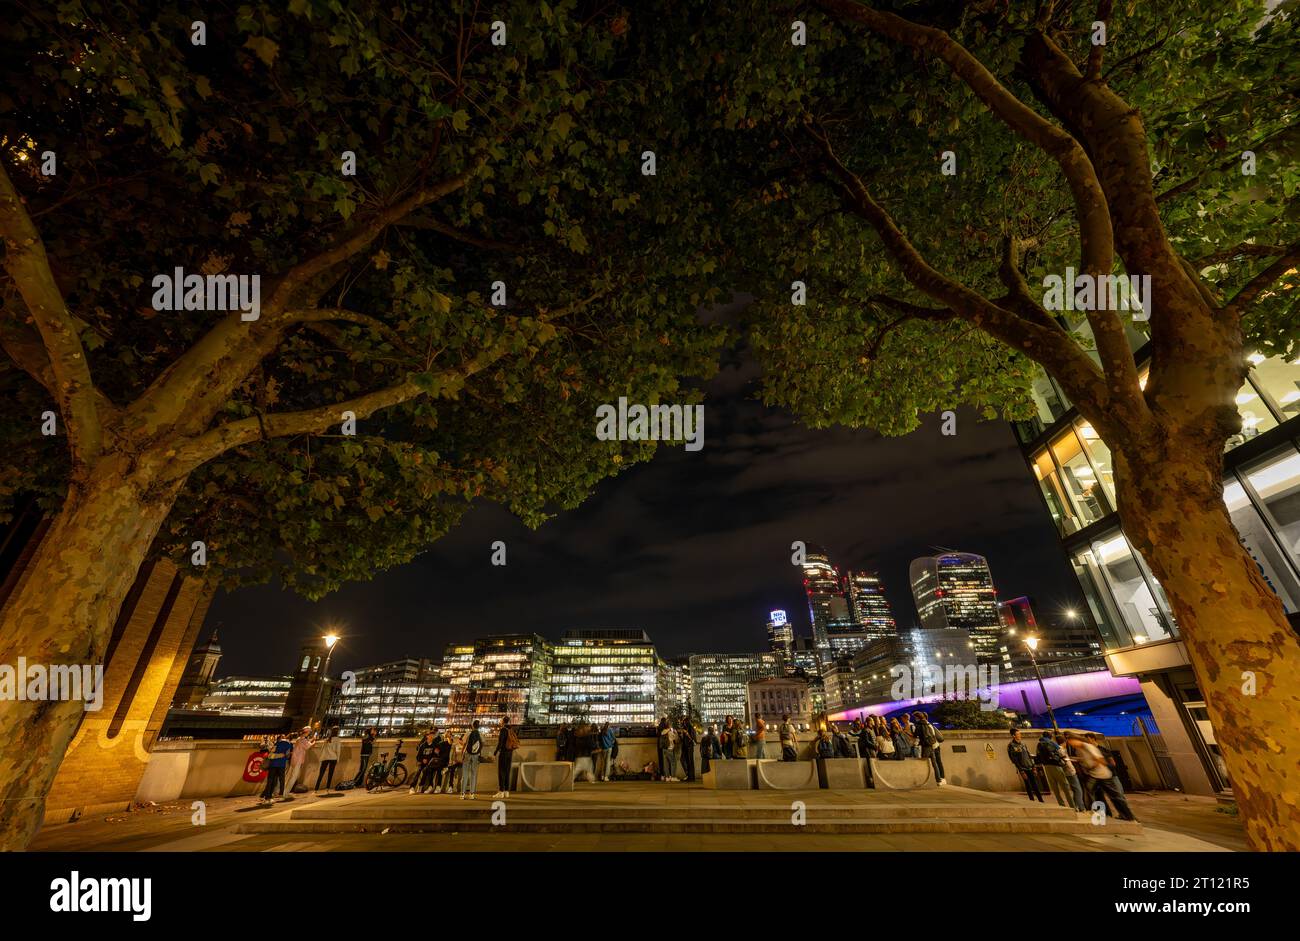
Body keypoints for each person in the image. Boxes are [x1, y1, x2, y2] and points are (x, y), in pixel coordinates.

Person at [1069, 732, 1138, 821]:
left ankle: (1128, 815)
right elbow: (1086, 760)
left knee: (1114, 796)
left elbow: (1100, 760)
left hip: (1103, 775)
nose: (1071, 743)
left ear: (1077, 740)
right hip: (1094, 775)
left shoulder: (1088, 747)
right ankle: (1103, 813)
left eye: (1072, 741)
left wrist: (1092, 767)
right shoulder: (1079, 750)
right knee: (1094, 793)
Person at [1036, 730, 1071, 808]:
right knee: (1065, 786)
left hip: (1046, 767)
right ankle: (1073, 806)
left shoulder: (1039, 744)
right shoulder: (1052, 743)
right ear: (1050, 736)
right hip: (1056, 766)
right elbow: (1061, 753)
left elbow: (1037, 756)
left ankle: (1061, 805)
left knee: (1055, 788)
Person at [1007, 729, 1044, 802]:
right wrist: (1021, 770)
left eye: (1019, 734)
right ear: (1013, 736)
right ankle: (1031, 800)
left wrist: (1033, 766)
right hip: (1023, 768)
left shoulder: (1023, 744)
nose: (1020, 735)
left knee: (1035, 784)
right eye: (1018, 734)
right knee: (1028, 784)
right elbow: (1014, 759)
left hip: (1030, 766)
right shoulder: (1011, 745)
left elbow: (1028, 755)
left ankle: (1040, 800)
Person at [1056, 732, 1087, 811]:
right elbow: (1065, 760)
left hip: (1068, 772)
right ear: (1064, 742)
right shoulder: (1061, 750)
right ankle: (1080, 807)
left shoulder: (1060, 749)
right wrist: (1075, 760)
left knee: (1075, 789)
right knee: (1078, 790)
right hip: (1070, 772)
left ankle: (1076, 806)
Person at [259, 734, 292, 803]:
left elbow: (270, 755)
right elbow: (288, 755)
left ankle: (267, 797)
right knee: (280, 780)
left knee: (271, 781)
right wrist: (282, 755)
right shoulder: (289, 744)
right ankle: (280, 795)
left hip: (273, 765)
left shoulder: (276, 744)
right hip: (281, 765)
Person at [914, 712, 945, 784]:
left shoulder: (919, 725)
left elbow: (916, 735)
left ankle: (938, 780)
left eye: (915, 717)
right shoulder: (929, 724)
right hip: (935, 744)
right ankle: (942, 778)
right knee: (938, 762)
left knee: (933, 762)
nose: (915, 719)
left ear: (918, 718)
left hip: (929, 746)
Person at [283, 726, 312, 795]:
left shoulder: (299, 739)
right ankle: (285, 793)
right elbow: (308, 746)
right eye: (309, 732)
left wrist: (310, 741)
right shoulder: (303, 740)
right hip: (298, 760)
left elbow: (306, 744)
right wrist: (313, 741)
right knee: (293, 777)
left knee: (288, 776)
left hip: (294, 759)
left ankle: (281, 791)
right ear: (307, 732)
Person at [493, 717, 518, 798]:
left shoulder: (503, 729)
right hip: (510, 752)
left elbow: (500, 742)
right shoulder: (510, 729)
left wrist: (495, 752)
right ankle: (507, 791)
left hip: (503, 753)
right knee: (507, 772)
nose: (500, 721)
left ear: (503, 721)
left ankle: (501, 791)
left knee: (501, 772)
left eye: (501, 720)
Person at [461, 719, 483, 799]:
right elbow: (482, 743)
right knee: (474, 775)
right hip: (476, 755)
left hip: (467, 754)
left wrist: (462, 753)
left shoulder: (468, 733)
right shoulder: (480, 734)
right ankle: (472, 794)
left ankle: (462, 794)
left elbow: (463, 744)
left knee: (465, 774)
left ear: (472, 725)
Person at [313, 726, 341, 791]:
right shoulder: (338, 740)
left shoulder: (327, 739)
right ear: (337, 732)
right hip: (333, 758)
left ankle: (316, 789)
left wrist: (321, 758)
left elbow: (323, 749)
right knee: (330, 774)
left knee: (321, 774)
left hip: (325, 757)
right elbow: (338, 750)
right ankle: (327, 789)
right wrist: (338, 759)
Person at [678, 718, 698, 783]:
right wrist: (680, 735)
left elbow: (693, 739)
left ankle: (691, 776)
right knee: (684, 760)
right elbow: (683, 739)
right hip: (685, 747)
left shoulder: (691, 728)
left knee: (690, 761)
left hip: (689, 747)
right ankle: (688, 775)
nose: (684, 723)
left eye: (685, 722)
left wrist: (686, 733)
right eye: (683, 722)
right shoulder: (685, 728)